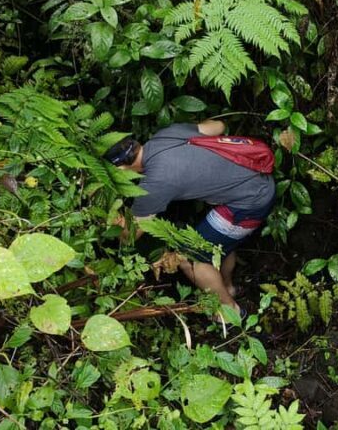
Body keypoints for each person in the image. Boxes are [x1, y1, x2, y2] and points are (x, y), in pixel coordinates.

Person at [103, 120, 275, 318]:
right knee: (218, 245)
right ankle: (228, 288)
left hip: (251, 202)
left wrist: (109, 215)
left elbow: (129, 235)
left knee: (191, 259)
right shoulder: (167, 134)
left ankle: (230, 314)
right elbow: (219, 126)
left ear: (120, 168)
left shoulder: (154, 185)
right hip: (258, 177)